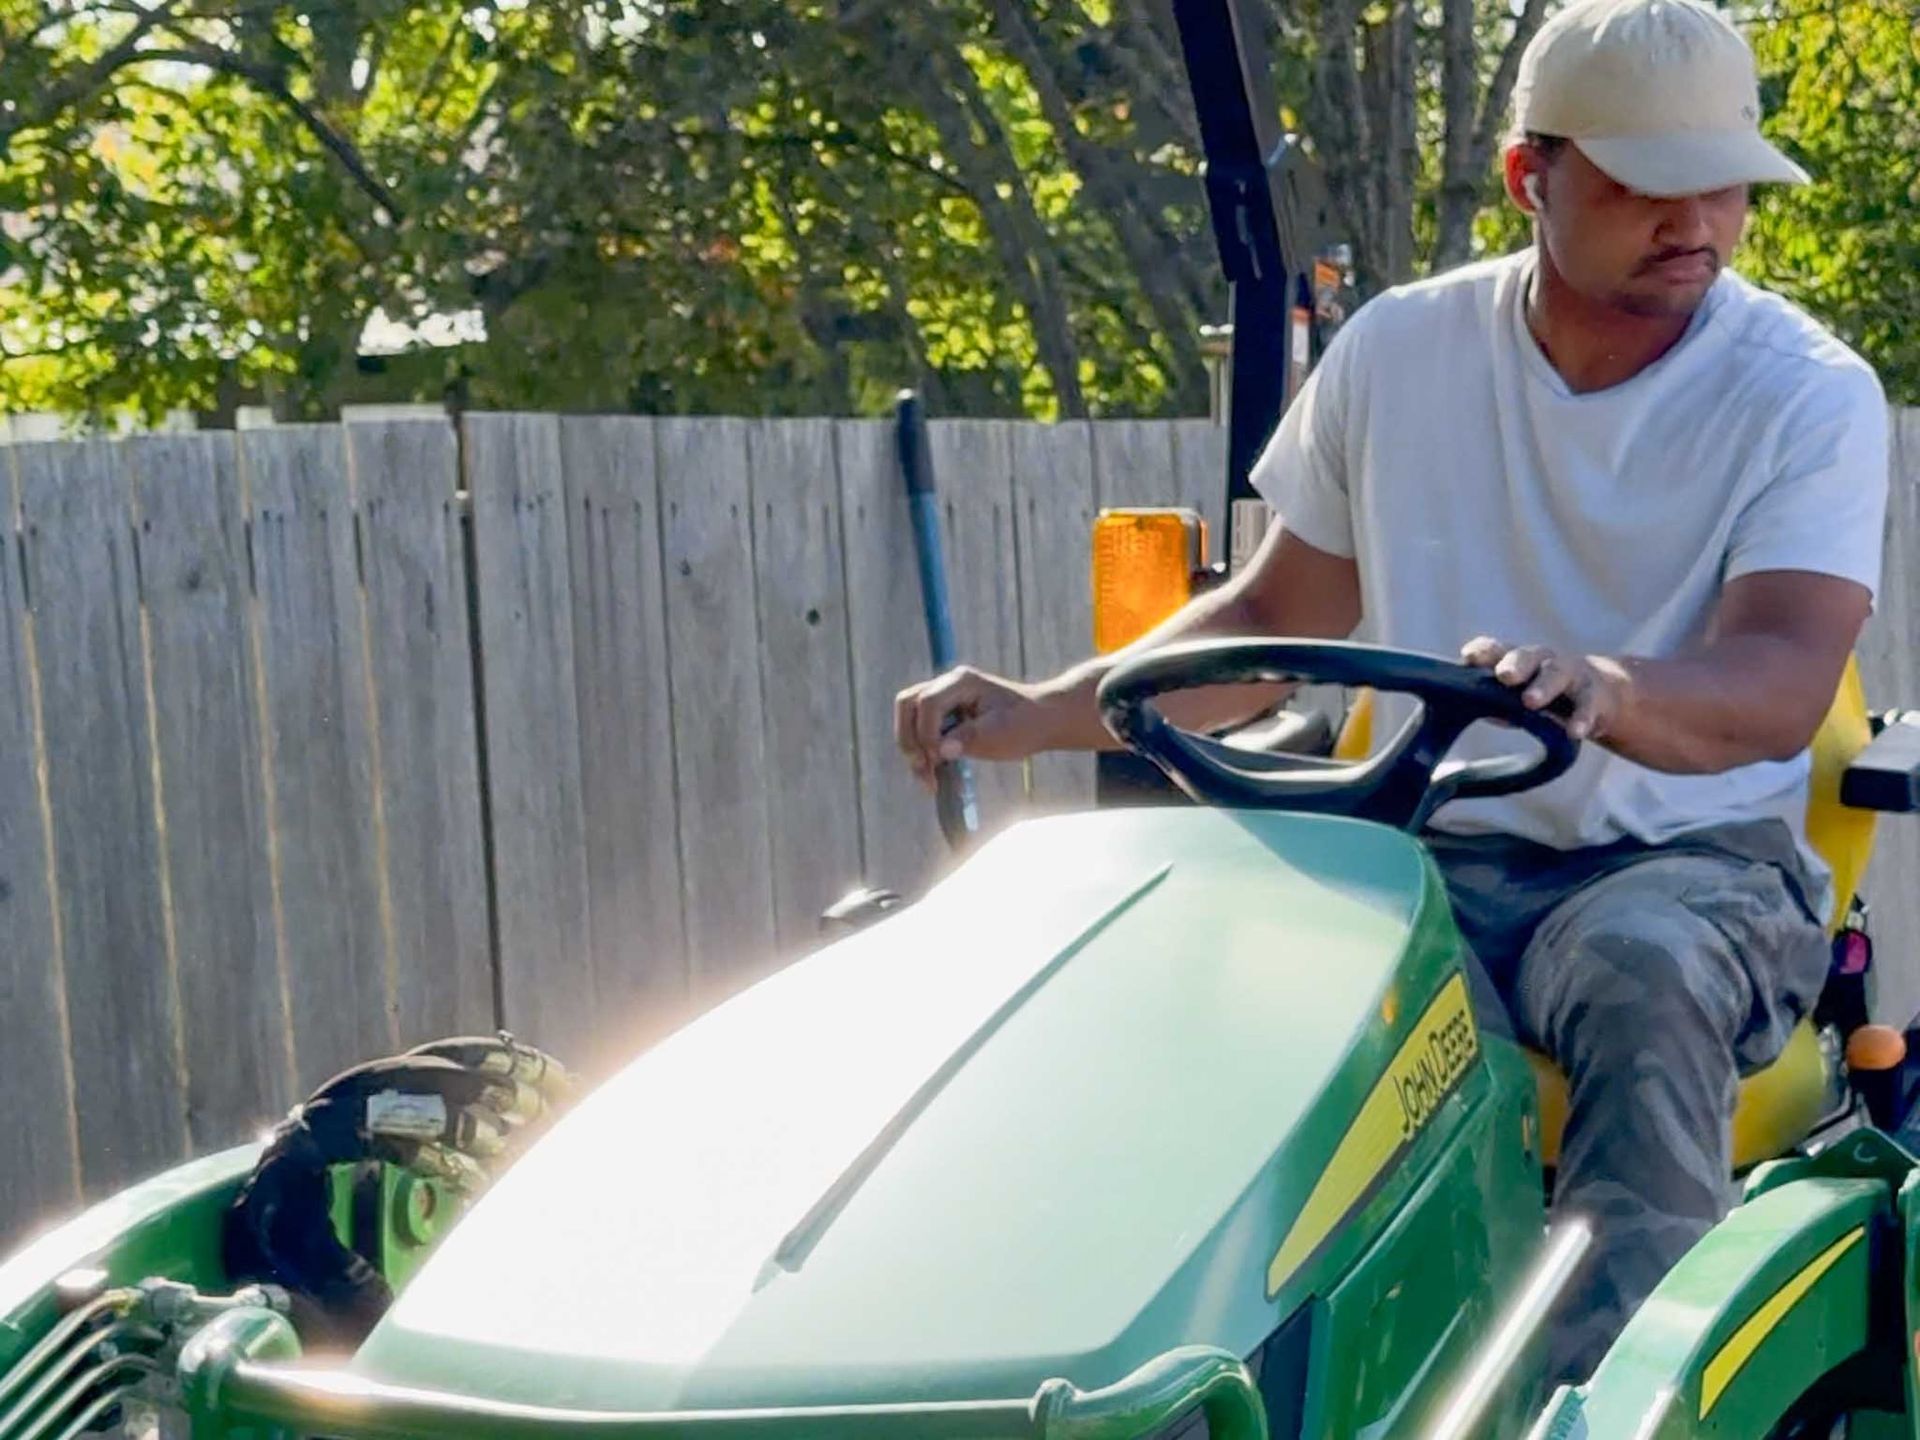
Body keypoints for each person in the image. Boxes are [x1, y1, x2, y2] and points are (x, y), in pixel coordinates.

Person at [892, 0, 1889, 1382]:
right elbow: (1269, 624)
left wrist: (1602, 688)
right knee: (1285, 1025)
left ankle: (1617, 1397)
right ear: (1530, 177)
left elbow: (1781, 681)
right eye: (1643, 184)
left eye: (1721, 184)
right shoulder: (1404, 352)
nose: (1694, 222)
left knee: (1638, 975)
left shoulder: (1802, 394)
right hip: (1435, 856)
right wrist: (1038, 710)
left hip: (1692, 859)